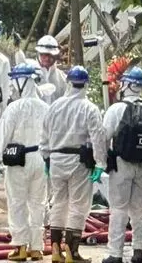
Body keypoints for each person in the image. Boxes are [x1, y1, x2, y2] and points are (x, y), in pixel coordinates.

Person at [42, 66, 108, 263]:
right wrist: (100, 163)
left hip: (56, 159)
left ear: (68, 83)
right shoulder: (89, 108)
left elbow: (44, 135)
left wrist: (46, 158)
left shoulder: (54, 107)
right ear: (86, 85)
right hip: (78, 161)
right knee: (78, 205)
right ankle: (72, 251)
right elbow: (97, 137)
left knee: (59, 202)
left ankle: (55, 248)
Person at [0, 63, 49, 262]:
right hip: (40, 159)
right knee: (38, 204)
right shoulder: (45, 108)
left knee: (17, 203)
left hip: (18, 161)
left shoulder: (14, 108)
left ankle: (20, 246)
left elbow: (2, 137)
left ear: (22, 81)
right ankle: (37, 248)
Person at [102, 67, 142, 263]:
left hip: (121, 165)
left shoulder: (116, 109)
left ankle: (115, 254)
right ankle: (139, 251)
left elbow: (104, 137)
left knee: (119, 209)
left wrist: (102, 161)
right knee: (138, 209)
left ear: (126, 85)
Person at [35, 35, 68, 104]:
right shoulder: (29, 74)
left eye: (50, 55)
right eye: (44, 54)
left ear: (56, 55)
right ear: (38, 53)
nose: (47, 58)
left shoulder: (62, 78)